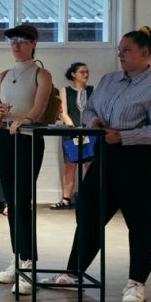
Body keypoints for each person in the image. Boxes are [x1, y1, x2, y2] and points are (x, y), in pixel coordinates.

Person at [50, 27, 151, 302]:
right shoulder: (109, 81)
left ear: (145, 53)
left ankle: (136, 282)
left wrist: (125, 136)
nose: (120, 54)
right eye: (119, 49)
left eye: (127, 50)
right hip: (109, 154)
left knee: (140, 223)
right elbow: (90, 109)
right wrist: (94, 122)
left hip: (146, 160)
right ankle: (74, 271)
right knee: (89, 212)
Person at [0, 24, 54, 295]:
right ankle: (18, 258)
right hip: (3, 137)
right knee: (11, 202)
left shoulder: (41, 74)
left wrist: (23, 120)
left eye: (22, 41)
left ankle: (28, 263)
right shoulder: (4, 74)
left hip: (26, 138)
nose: (16, 46)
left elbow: (38, 109)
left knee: (23, 201)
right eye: (13, 41)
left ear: (34, 43)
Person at [54, 61, 94, 210]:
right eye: (82, 72)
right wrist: (73, 128)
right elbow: (63, 112)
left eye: (87, 72)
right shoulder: (65, 90)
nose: (86, 74)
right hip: (71, 132)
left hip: (89, 132)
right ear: (73, 74)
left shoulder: (92, 90)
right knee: (70, 165)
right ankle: (66, 199)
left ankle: (91, 197)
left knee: (89, 165)